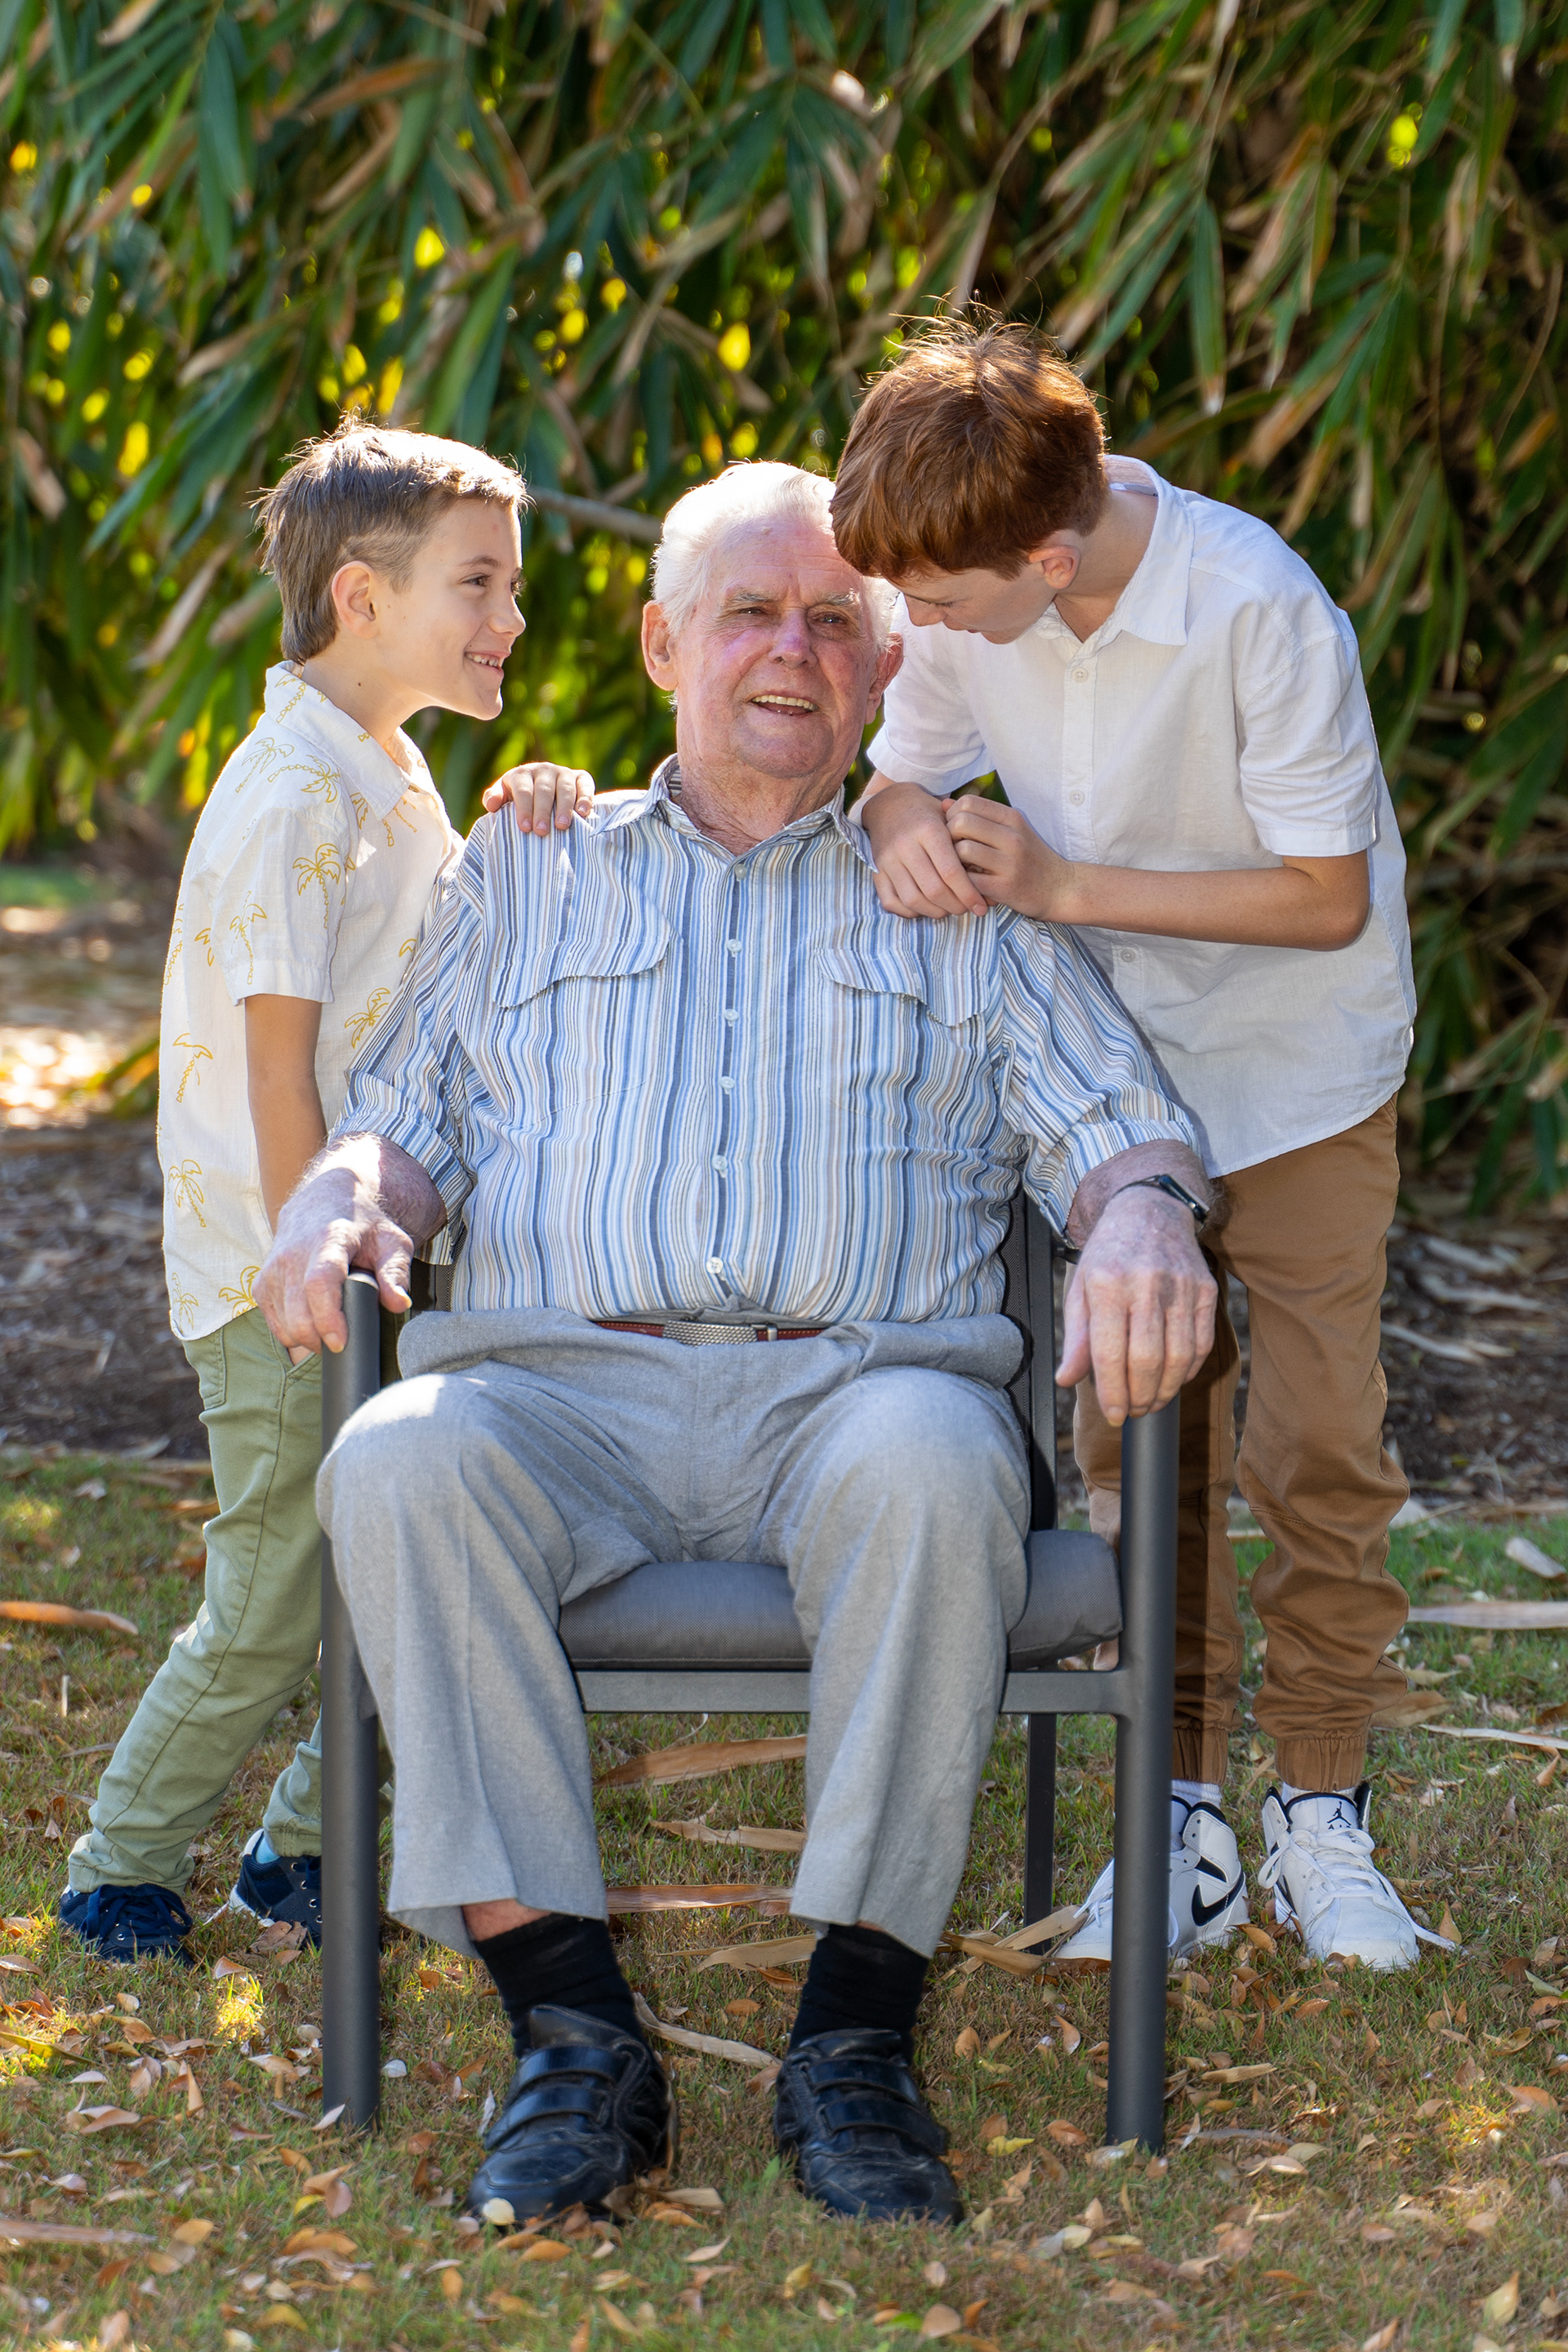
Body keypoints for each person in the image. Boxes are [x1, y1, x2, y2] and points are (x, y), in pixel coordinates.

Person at [256, 458, 1217, 2227]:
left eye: (836, 621)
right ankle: (573, 2034)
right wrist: (340, 1196)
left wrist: (1148, 1215)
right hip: (555, 1396)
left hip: (857, 1397)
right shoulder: (529, 872)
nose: (794, 650)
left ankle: (852, 2038)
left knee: (937, 1464)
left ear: (886, 664)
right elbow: (401, 1117)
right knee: (396, 1458)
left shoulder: (956, 893)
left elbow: (1122, 1127)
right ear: (661, 644)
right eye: (751, 613)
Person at [830, 314, 1441, 1973]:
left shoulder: (1257, 607)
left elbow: (1326, 898)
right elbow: (897, 777)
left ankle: (1323, 1806)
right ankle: (1179, 1817)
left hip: (1300, 1075)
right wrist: (901, 824)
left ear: (1048, 555)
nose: (918, 631)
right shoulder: (966, 587)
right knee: (1133, 1450)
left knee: (1317, 1446)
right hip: (1105, 1095)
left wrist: (1060, 885)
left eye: (942, 605)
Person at [60, 419, 590, 1964]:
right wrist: (322, 1266)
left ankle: (302, 1846)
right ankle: (117, 1865)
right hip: (287, 1275)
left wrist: (528, 810)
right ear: (363, 597)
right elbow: (279, 1066)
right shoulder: (295, 791)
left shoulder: (383, 769)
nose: (511, 617)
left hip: (360, 1261)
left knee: (390, 1566)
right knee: (278, 1592)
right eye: (479, 584)